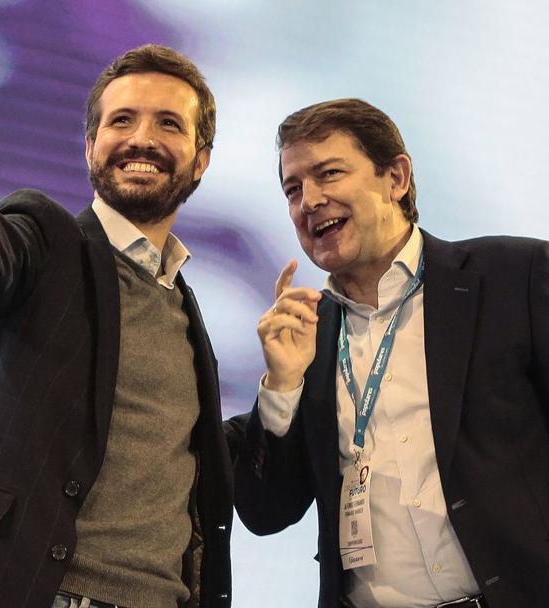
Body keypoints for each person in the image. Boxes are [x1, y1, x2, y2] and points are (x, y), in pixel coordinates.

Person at [0, 43, 239, 608]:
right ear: (91, 146)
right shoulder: (46, 239)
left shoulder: (186, 314)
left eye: (168, 123)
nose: (142, 137)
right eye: (122, 120)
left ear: (200, 159)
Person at [234, 98, 549, 608]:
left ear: (396, 177)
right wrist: (281, 388)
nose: (308, 200)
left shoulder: (515, 276)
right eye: (292, 189)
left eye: (328, 173)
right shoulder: (307, 338)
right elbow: (266, 512)